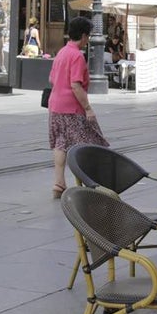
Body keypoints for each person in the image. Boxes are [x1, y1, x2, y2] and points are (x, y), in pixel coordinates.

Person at [49, 16, 109, 199]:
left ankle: (59, 183)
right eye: (88, 36)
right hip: (72, 108)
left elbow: (52, 79)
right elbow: (75, 85)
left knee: (61, 144)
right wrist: (88, 108)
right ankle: (89, 182)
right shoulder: (76, 56)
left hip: (55, 105)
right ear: (83, 36)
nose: (88, 40)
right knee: (86, 144)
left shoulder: (62, 52)